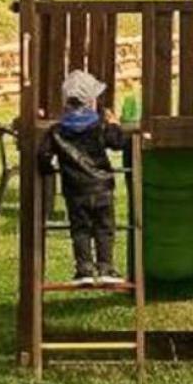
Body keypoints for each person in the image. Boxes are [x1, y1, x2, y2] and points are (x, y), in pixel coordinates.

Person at [38, 69, 130, 286]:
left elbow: (43, 157)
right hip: (102, 188)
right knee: (104, 228)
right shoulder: (99, 126)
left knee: (80, 230)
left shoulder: (57, 131)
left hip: (75, 191)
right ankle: (106, 268)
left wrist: (49, 170)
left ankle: (84, 270)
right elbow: (118, 143)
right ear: (90, 101)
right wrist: (115, 123)